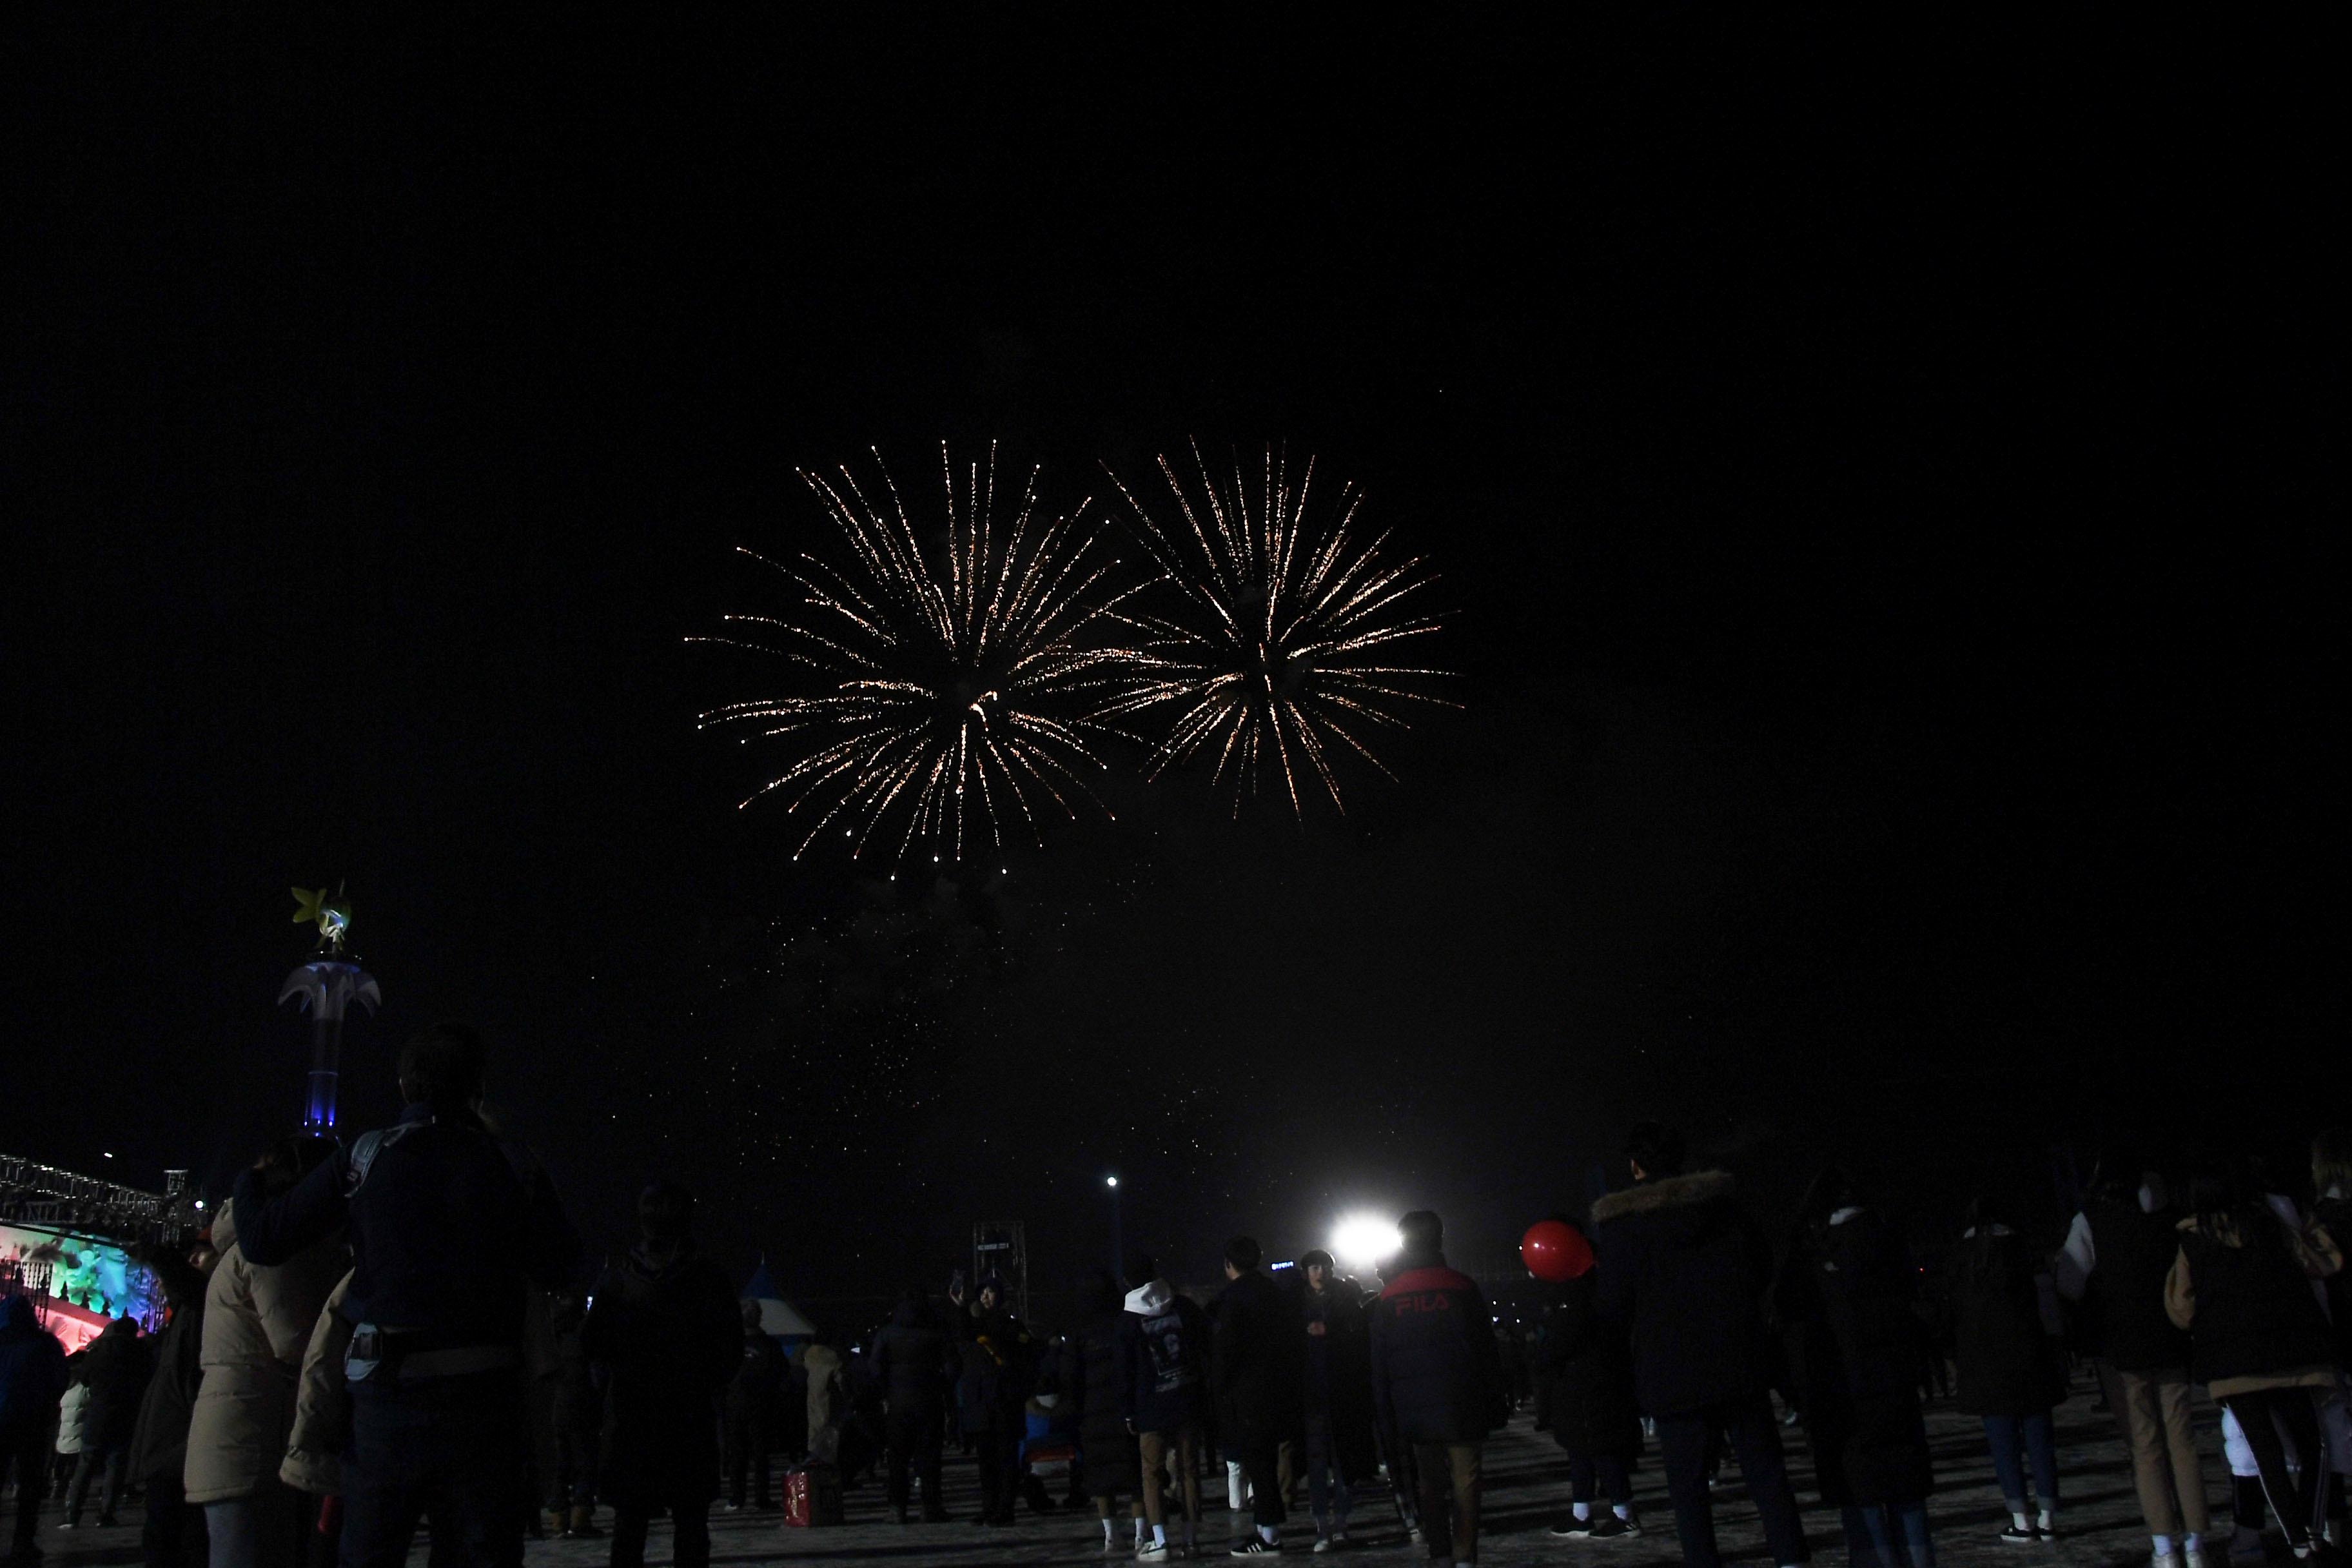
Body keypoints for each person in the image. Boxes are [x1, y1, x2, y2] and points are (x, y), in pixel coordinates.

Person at [228, 1021, 583, 1568]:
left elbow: (263, 1240)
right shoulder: (513, 1164)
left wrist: (249, 1181)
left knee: (371, 1552)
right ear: (479, 1088)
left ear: (403, 1087)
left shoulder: (366, 1156)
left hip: (386, 1399)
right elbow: (564, 1265)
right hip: (485, 1402)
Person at [1591, 1122, 1810, 1568]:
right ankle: (1791, 1558)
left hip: (1671, 1369)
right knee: (1766, 1473)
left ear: (1636, 1167)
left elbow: (1613, 1304)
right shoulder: (1725, 1211)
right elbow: (1760, 1268)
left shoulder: (1626, 1228)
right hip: (1738, 1357)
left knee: (1687, 1488)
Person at [2165, 1166, 2344, 1561]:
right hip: (2289, 1354)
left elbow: (2180, 1307)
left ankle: (2297, 1543)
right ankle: (2314, 1532)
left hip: (2232, 1364)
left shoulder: (2193, 1239)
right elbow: (2322, 1264)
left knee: (2266, 1457)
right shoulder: (2272, 1224)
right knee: (2313, 1446)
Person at [186, 1138, 348, 1568]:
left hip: (240, 1429)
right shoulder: (272, 1251)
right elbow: (296, 1341)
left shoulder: (242, 1245)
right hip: (254, 1434)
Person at [2055, 1153, 2213, 1568]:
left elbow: (2069, 1283)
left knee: (2145, 1449)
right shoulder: (2172, 1218)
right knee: (2183, 1442)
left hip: (2119, 1349)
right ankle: (2197, 1544)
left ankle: (2164, 1547)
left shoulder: (2091, 1220)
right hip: (2172, 1342)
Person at [1776, 1171, 1935, 1567]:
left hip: (1839, 1393)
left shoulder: (1810, 1254)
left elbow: (1789, 1324)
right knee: (1907, 1494)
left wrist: (1798, 1390)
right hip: (1893, 1384)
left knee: (1858, 1498)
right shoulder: (1887, 1241)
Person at [584, 1181, 741, 1568]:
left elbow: (593, 1345)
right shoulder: (707, 1277)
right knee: (690, 1527)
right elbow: (730, 1348)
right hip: (685, 1415)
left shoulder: (619, 1280)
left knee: (630, 1527)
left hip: (633, 1416)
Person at [1367, 1211, 1507, 1568]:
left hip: (1414, 1407)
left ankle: (1440, 1552)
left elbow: (1380, 1365)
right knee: (1467, 1480)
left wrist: (1386, 1416)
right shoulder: (1462, 1287)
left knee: (1430, 1484)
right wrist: (1497, 1402)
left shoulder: (1390, 1297)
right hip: (1463, 1401)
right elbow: (1487, 1352)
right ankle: (1464, 1554)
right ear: (1440, 1238)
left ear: (1403, 1242)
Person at [1951, 1194, 2068, 1543]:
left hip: (1986, 1362)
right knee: (2039, 1440)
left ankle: (2021, 1518)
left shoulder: (1963, 1254)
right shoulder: (2020, 1247)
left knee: (2003, 1445)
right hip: (2029, 1354)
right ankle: (2047, 1517)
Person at [1533, 1219, 1642, 1541]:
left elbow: (1567, 1338)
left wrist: (1542, 1359)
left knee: (1600, 1448)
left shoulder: (1582, 1294)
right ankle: (1582, 1514)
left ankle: (1625, 1515)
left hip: (1590, 1382)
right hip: (1581, 1383)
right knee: (1579, 1449)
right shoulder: (1589, 1287)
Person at [128, 1237, 219, 1568]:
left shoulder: (204, 1306)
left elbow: (194, 1287)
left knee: (173, 1543)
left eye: (200, 1256)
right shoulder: (185, 1315)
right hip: (171, 1451)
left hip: (179, 1453)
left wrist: (159, 1255)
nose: (193, 1259)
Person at [1214, 1237, 1303, 1557]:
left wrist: (1220, 1390)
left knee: (1259, 1465)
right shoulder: (1276, 1294)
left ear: (1229, 1264)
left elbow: (1225, 1353)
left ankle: (1268, 1535)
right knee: (1272, 1461)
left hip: (1248, 1395)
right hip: (1281, 1388)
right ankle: (1269, 1528)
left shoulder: (1232, 1300)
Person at [1117, 1255, 1208, 1562]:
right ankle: (1191, 1538)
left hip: (1149, 1407)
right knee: (1189, 1472)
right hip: (1186, 1401)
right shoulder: (1182, 1306)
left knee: (1152, 1474)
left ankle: (1160, 1540)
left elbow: (1125, 1371)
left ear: (1128, 1282)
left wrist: (1128, 1410)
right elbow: (1205, 1344)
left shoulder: (1128, 1319)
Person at [1296, 1250, 1377, 1552]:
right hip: (1312, 1392)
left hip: (1341, 1389)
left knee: (1343, 1461)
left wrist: (1332, 1333)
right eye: (1314, 1267)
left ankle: (1341, 1524)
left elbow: (1358, 1339)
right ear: (1306, 1272)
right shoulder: (1297, 1302)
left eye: (1324, 1267)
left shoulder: (1345, 1299)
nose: (1320, 1272)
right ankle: (1321, 1528)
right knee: (1317, 1463)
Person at [1063, 1269, 1146, 1556]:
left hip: (1093, 1410)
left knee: (1101, 1477)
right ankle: (1140, 1534)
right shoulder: (1123, 1322)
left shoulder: (1079, 1332)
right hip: (1125, 1409)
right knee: (1135, 1475)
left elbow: (1070, 1376)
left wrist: (1075, 1411)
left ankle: (1111, 1535)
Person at [953, 1275, 1034, 1526]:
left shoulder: (1010, 1325)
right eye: (982, 1293)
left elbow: (1019, 1350)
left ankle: (1005, 1509)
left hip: (1004, 1401)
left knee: (1005, 1458)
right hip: (981, 1402)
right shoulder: (973, 1323)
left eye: (991, 1292)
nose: (986, 1297)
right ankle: (989, 1508)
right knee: (986, 1461)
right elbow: (961, 1336)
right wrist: (960, 1307)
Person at [868, 1290, 952, 1524]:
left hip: (898, 1404)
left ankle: (897, 1508)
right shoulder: (935, 1333)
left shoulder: (887, 1334)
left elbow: (874, 1367)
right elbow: (953, 1367)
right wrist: (941, 1386)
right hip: (929, 1401)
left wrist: (887, 1389)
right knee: (929, 1457)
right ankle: (931, 1506)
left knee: (897, 1459)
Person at [1, 1291, 70, 1564]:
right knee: (30, 1487)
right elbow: (59, 1379)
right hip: (34, 1422)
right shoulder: (45, 1344)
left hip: (3, 1419)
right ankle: (23, 1542)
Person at [64, 1316, 152, 1529]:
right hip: (126, 1415)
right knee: (116, 1465)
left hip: (98, 1413)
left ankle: (72, 1514)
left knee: (85, 1464)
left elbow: (84, 1377)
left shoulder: (99, 1352)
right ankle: (106, 1514)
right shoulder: (141, 1354)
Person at [721, 1300, 783, 1513]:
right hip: (759, 1405)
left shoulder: (730, 1344)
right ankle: (761, 1498)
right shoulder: (769, 1345)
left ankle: (738, 1498)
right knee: (759, 1455)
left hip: (737, 1405)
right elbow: (780, 1375)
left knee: (739, 1455)